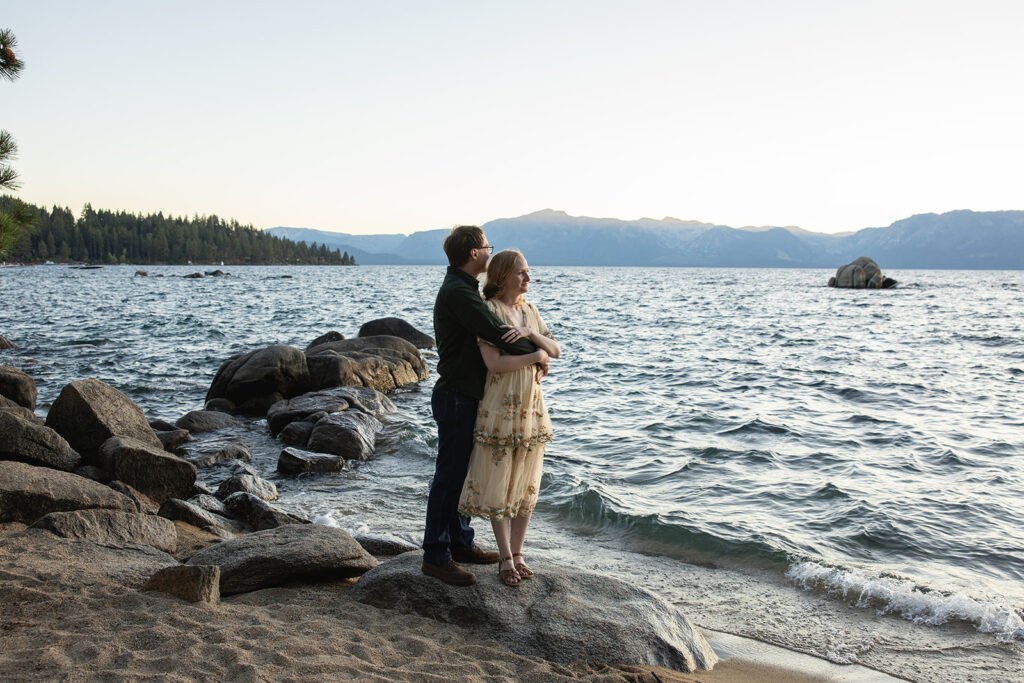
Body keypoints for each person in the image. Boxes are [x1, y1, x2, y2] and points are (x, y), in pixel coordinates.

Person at [422, 226, 547, 586]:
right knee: (449, 477)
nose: (489, 254)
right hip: (456, 396)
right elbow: (498, 332)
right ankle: (436, 555)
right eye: (486, 248)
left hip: (466, 396)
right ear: (474, 253)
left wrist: (538, 351)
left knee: (463, 474)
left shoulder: (464, 289)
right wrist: (539, 354)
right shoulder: (460, 293)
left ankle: (461, 543)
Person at [458, 249, 560, 587]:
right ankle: (504, 556)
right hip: (501, 406)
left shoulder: (529, 310)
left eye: (528, 271)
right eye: (522, 273)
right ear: (502, 277)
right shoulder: (490, 311)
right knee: (500, 479)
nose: (528, 278)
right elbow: (494, 364)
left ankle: (519, 553)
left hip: (531, 407)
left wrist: (534, 338)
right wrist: (535, 356)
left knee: (526, 481)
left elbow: (556, 350)